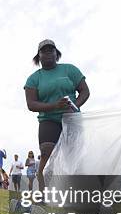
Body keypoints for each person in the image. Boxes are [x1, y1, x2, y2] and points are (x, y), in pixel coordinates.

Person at [24, 39, 90, 195]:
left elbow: (85, 91)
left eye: (51, 50)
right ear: (38, 56)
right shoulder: (34, 78)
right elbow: (31, 104)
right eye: (43, 51)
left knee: (74, 157)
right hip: (49, 120)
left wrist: (74, 107)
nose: (47, 53)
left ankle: (77, 195)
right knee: (47, 152)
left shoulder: (70, 70)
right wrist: (55, 106)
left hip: (72, 119)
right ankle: (43, 195)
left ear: (56, 53)